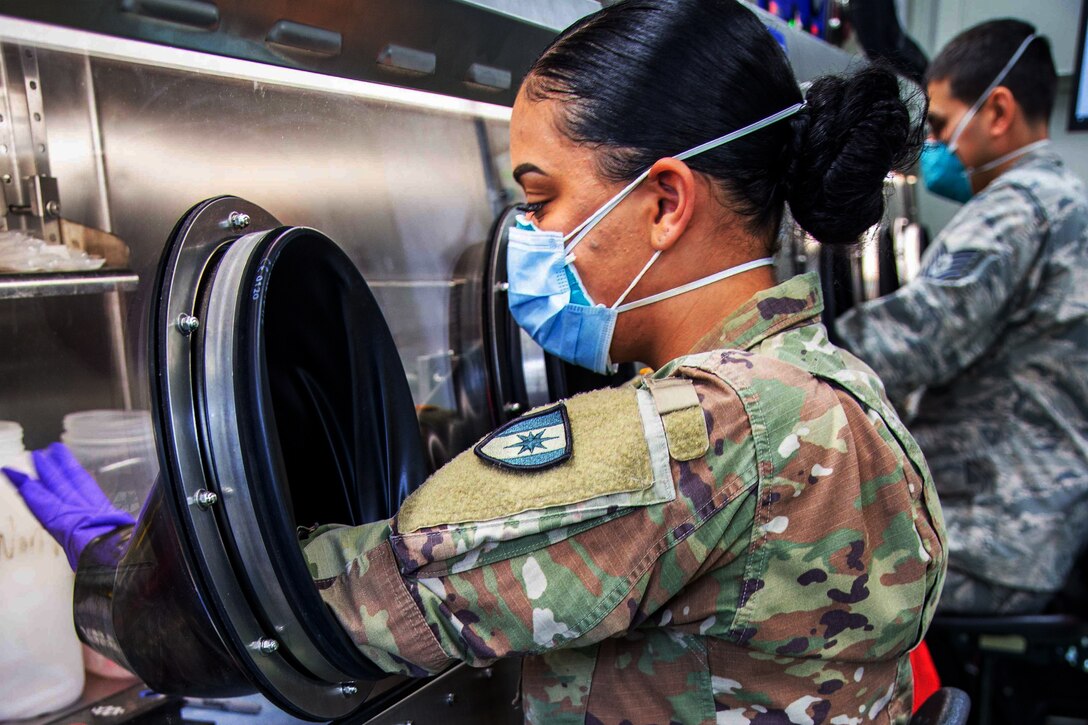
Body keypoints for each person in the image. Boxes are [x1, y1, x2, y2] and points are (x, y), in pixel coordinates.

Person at [4, 1, 946, 722]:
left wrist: (97, 560)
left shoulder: (684, 440)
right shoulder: (836, 385)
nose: (531, 237)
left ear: (665, 201)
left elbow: (308, 601)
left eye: (541, 200)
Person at [835, 19, 1088, 616]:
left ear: (997, 111)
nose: (934, 149)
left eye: (943, 127)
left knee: (798, 587)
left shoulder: (1014, 213)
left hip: (991, 537)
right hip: (1038, 520)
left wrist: (767, 354)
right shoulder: (1063, 200)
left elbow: (909, 342)